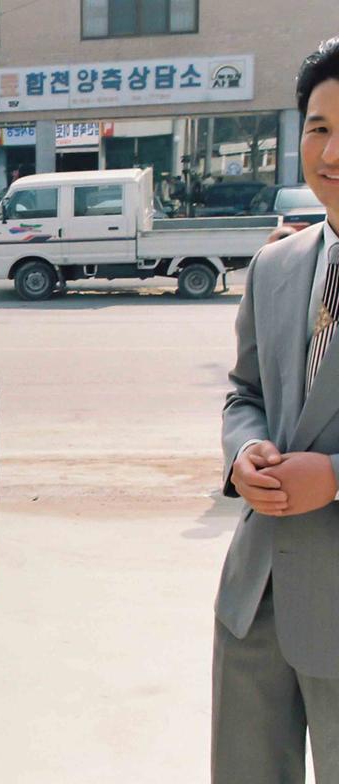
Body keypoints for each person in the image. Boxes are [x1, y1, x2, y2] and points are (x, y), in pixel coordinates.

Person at [213, 37, 339, 783]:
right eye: (319, 126)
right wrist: (244, 450)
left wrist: (334, 475)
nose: (331, 149)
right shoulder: (279, 263)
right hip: (255, 596)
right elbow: (244, 391)